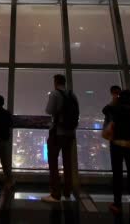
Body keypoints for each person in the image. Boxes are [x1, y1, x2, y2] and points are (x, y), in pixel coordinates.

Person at [102, 89, 130, 215]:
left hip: (117, 145)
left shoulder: (116, 109)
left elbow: (105, 110)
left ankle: (117, 204)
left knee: (117, 174)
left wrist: (113, 101)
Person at [42, 74, 79, 203]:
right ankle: (67, 191)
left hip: (57, 133)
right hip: (70, 133)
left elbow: (49, 110)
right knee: (67, 162)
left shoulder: (55, 94)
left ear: (56, 82)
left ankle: (55, 194)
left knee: (53, 163)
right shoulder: (72, 95)